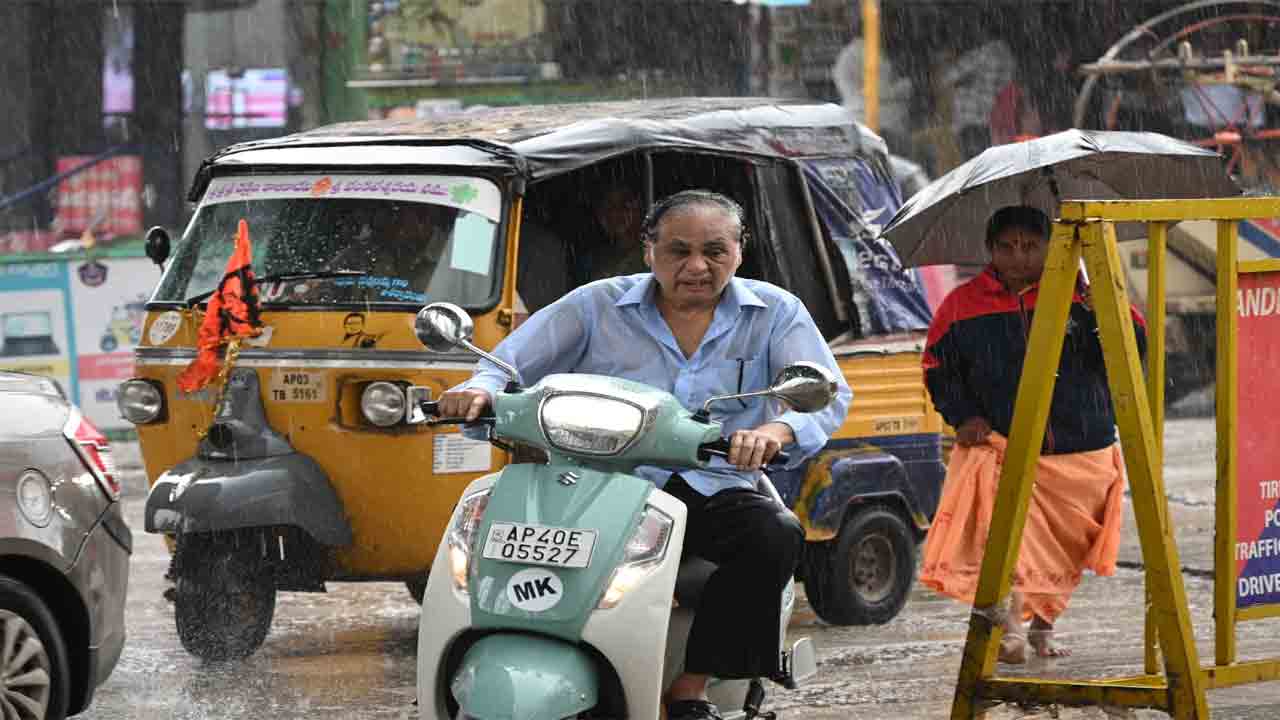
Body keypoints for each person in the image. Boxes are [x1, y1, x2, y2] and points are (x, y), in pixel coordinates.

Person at [438, 190, 852, 720]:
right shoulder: (596, 305)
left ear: (739, 252)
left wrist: (776, 428)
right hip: (591, 488)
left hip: (710, 488)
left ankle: (692, 687)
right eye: (679, 251)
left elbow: (825, 393)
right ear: (648, 251)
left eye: (714, 251)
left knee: (775, 535)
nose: (697, 266)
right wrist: (478, 391)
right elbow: (504, 364)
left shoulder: (774, 312)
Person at [918, 205, 1145, 663]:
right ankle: (1012, 630)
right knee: (1010, 542)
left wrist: (1106, 310)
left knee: (1068, 550)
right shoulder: (961, 305)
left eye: (1030, 246)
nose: (1018, 257)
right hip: (1006, 445)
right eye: (1007, 247)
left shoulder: (1086, 297)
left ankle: (1043, 627)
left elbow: (1134, 351)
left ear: (1051, 247)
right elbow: (938, 369)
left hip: (1086, 445)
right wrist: (963, 417)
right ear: (990, 251)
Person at [584, 185, 647, 281]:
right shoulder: (596, 259)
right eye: (607, 207)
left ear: (639, 208)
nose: (614, 213)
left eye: (624, 205)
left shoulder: (652, 254)